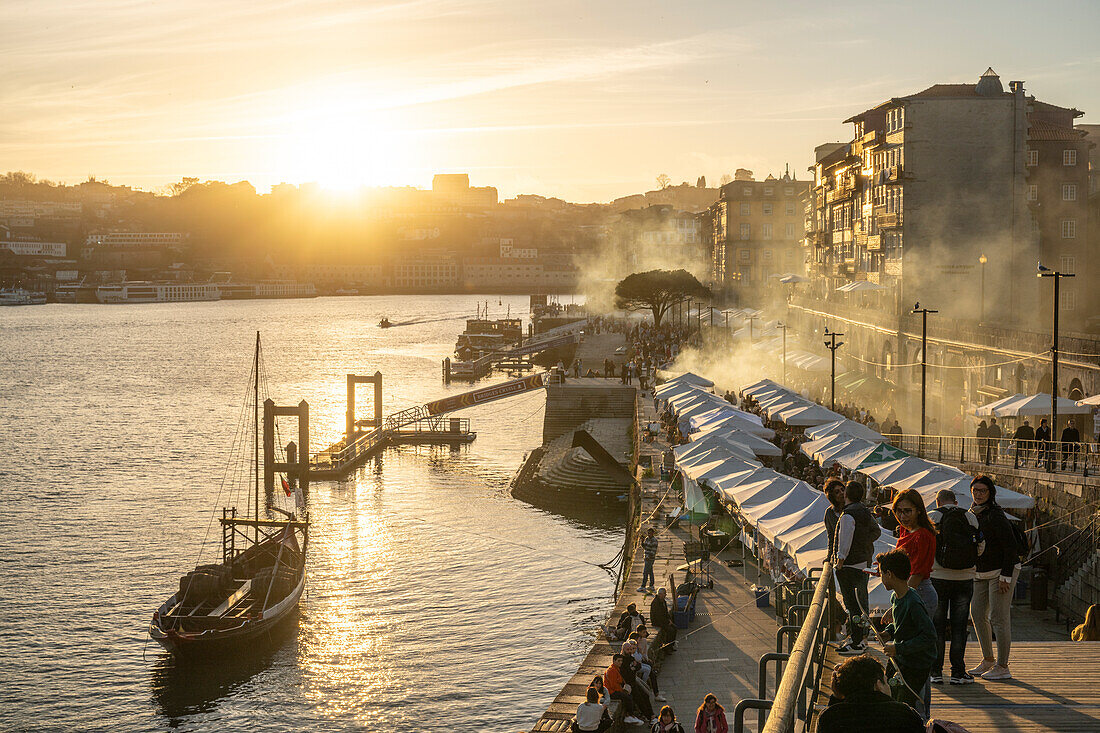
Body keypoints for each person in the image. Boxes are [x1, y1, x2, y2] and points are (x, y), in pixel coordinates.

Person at [968, 475, 1023, 681]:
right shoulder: (972, 514)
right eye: (976, 491)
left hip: (1002, 571)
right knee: (977, 613)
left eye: (983, 491)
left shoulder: (996, 516)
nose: (979, 494)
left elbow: (1011, 548)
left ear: (990, 493)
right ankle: (988, 659)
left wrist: (1006, 577)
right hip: (981, 572)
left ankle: (1003, 666)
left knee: (999, 618)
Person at [927, 489, 982, 685]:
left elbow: (927, 545)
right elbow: (981, 545)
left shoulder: (932, 517)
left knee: (937, 626)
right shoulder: (969, 516)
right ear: (956, 502)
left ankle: (936, 671)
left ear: (938, 501)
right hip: (964, 578)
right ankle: (958, 672)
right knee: (959, 627)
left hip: (938, 577)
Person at [877, 549, 937, 716]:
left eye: (881, 574)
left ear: (889, 574)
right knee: (890, 691)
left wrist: (898, 649)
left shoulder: (913, 602)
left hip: (916, 663)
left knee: (907, 703)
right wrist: (888, 633)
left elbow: (929, 636)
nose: (881, 578)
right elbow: (901, 623)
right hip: (903, 657)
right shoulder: (896, 597)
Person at [817, 654, 925, 733]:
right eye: (886, 682)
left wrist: (836, 698)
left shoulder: (829, 718)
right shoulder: (906, 715)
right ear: (878, 685)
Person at [834, 480, 882, 656]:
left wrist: (840, 561)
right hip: (863, 563)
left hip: (849, 565)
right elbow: (876, 532)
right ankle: (861, 638)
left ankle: (855, 642)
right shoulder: (864, 511)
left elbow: (844, 540)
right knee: (861, 603)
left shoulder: (848, 514)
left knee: (851, 604)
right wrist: (863, 543)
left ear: (846, 494)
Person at [892, 489, 939, 617]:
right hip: (907, 589)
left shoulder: (922, 535)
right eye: (899, 511)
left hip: (919, 591)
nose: (902, 516)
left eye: (907, 511)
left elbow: (917, 573)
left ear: (918, 510)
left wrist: (899, 601)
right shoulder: (905, 529)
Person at [605, 654, 645, 726]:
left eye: (621, 661)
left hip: (615, 690)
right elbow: (613, 685)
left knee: (630, 695)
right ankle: (629, 716)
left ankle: (630, 714)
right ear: (614, 661)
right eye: (618, 661)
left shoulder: (617, 668)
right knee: (627, 697)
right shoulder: (611, 671)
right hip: (611, 692)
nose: (620, 662)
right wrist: (622, 690)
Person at [650, 588, 677, 652]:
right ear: (660, 594)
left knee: (674, 628)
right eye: (664, 594)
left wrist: (669, 620)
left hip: (664, 620)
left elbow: (666, 613)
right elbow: (659, 616)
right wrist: (667, 622)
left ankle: (671, 645)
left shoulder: (663, 601)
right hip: (657, 621)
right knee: (670, 630)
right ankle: (667, 648)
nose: (665, 595)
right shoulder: (656, 603)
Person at [639, 528, 658, 592]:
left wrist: (648, 557)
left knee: (645, 572)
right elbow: (645, 547)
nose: (649, 534)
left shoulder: (654, 541)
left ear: (653, 533)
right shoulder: (647, 539)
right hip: (646, 558)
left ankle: (643, 586)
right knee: (650, 572)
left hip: (650, 559)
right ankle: (651, 586)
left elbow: (653, 551)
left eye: (650, 533)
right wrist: (642, 541)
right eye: (648, 533)